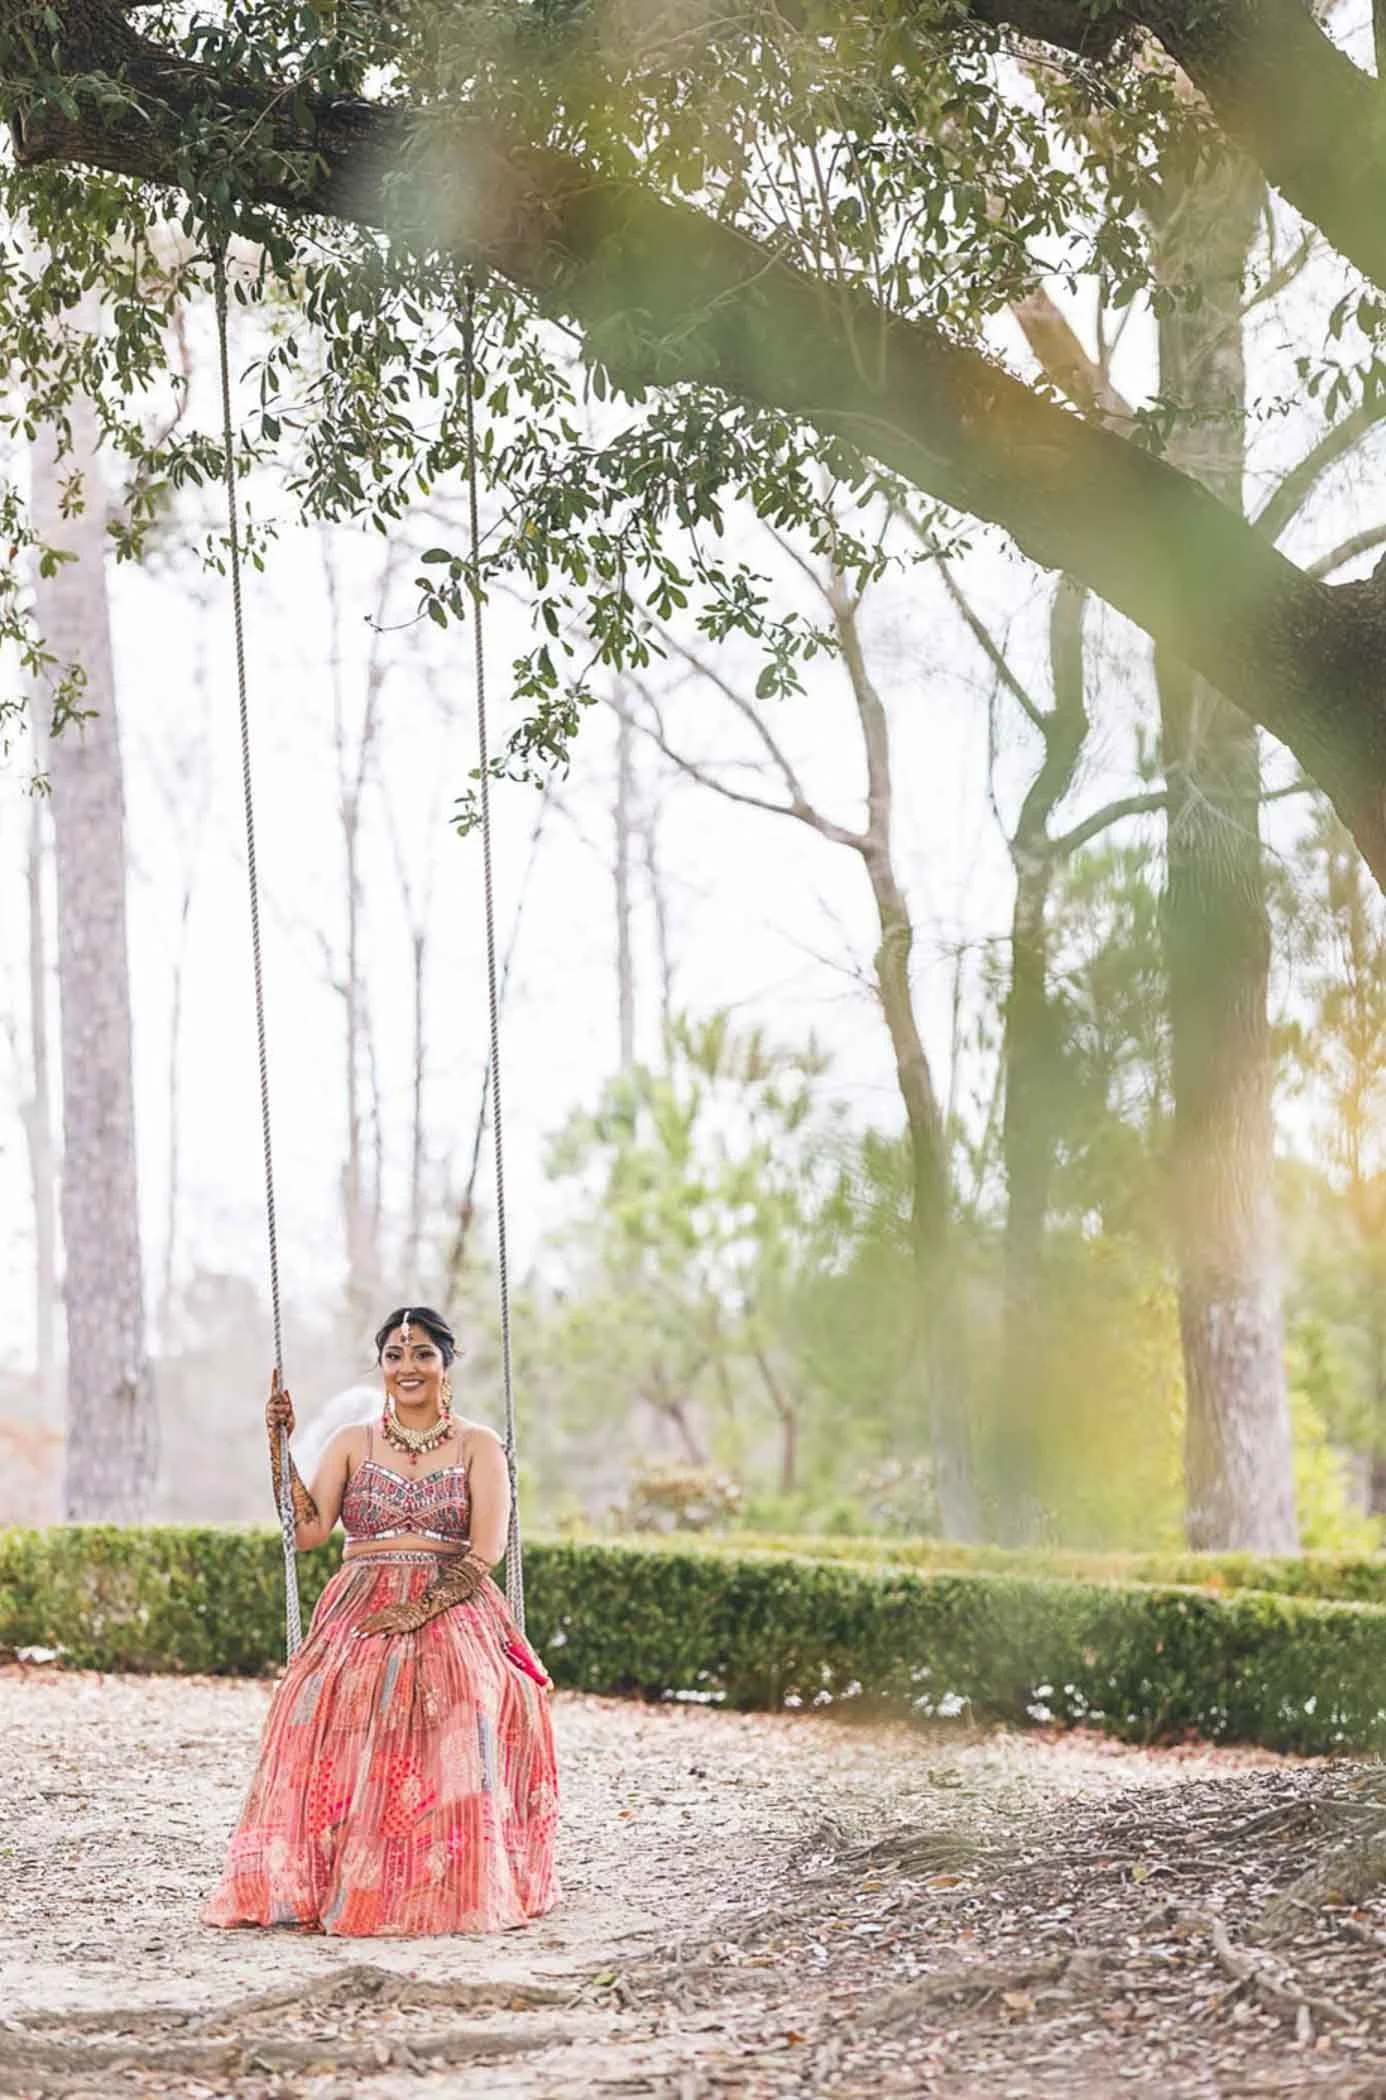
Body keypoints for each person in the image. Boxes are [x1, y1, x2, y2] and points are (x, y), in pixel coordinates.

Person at [202, 1306, 559, 1936]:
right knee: (318, 1695)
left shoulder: (479, 1445)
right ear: (381, 1366)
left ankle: (452, 1875)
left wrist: (419, 1609)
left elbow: (486, 1550)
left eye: (422, 1353)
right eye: (394, 1355)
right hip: (360, 1602)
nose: (407, 1367)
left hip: (455, 1599)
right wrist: (278, 1450)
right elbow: (308, 1531)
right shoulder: (351, 1442)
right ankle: (342, 1874)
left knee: (469, 1689)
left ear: (446, 1363)